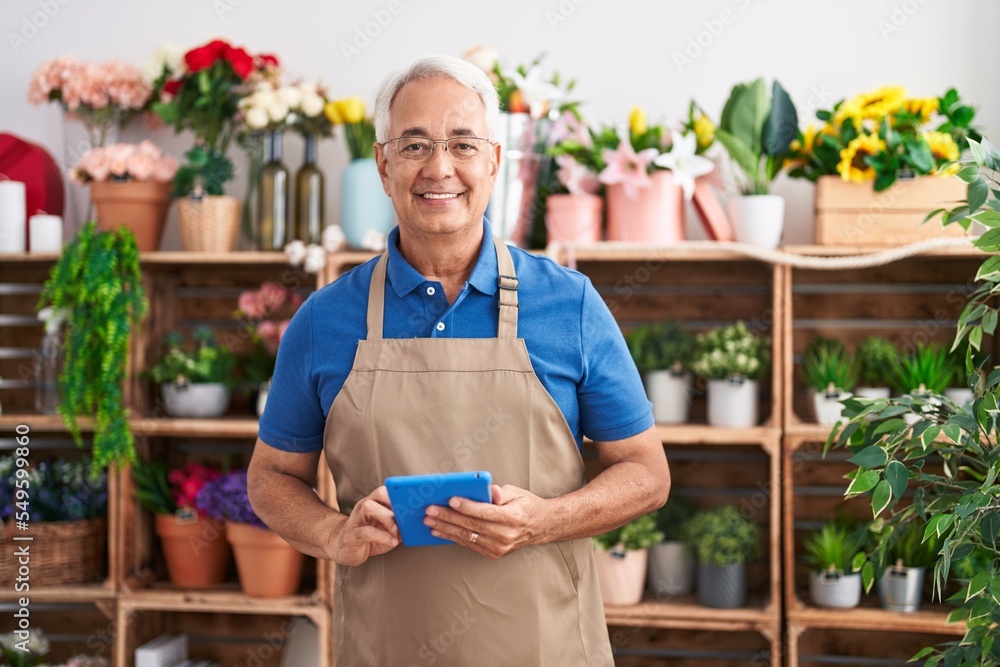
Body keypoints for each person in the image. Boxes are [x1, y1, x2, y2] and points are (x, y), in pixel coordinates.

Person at [247, 54, 670, 666]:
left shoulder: (568, 304)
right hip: (386, 649)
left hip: (545, 649)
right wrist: (333, 534)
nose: (439, 168)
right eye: (414, 145)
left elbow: (647, 474)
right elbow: (270, 478)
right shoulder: (322, 321)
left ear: (494, 161)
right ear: (384, 165)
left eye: (462, 144)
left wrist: (543, 521)